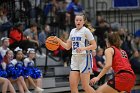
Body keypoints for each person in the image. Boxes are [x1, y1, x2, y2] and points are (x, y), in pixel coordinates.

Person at [54, 13, 97, 93]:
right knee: (73, 86)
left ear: (83, 22)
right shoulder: (72, 31)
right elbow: (67, 47)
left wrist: (83, 48)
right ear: (74, 21)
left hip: (85, 58)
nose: (78, 21)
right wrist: (59, 40)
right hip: (74, 59)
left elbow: (94, 45)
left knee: (85, 86)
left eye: (80, 20)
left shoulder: (86, 31)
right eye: (77, 20)